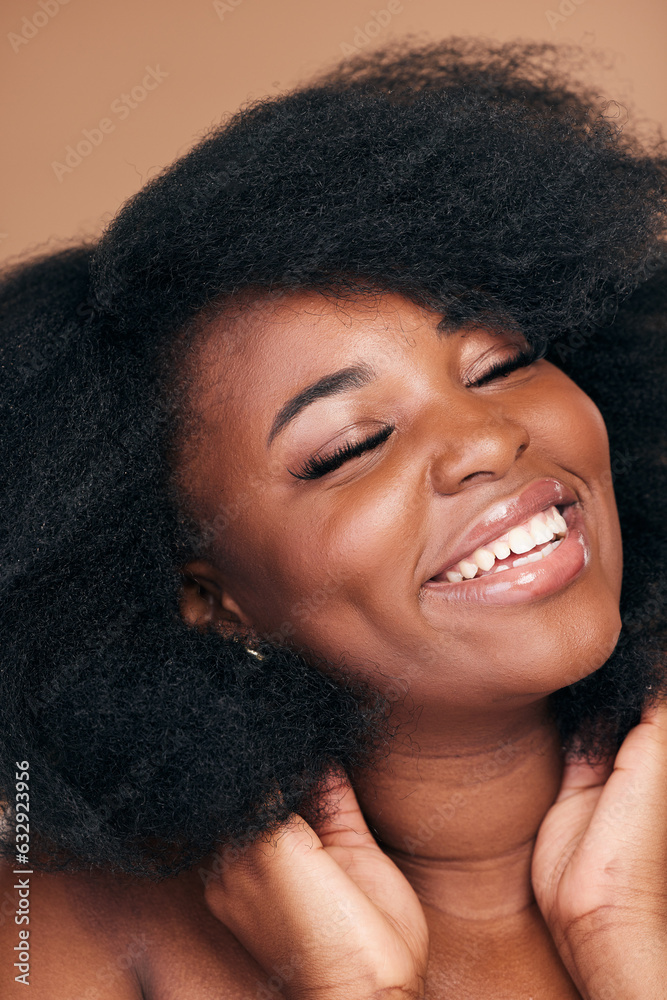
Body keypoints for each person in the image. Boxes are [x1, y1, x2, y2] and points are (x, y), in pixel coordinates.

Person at [1, 37, 666, 998]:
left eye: (499, 363)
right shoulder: (67, 932)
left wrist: (625, 939)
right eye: (350, 447)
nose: (483, 438)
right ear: (212, 596)